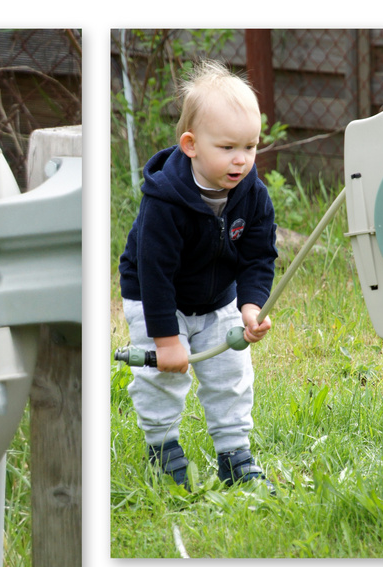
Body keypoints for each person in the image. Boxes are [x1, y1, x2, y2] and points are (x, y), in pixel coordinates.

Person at [118, 58, 279, 489]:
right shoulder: (165, 202)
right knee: (161, 377)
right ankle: (162, 446)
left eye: (250, 146)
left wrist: (249, 306)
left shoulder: (252, 194)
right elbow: (154, 273)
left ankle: (234, 453)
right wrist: (168, 341)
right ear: (190, 144)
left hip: (217, 298)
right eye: (227, 148)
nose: (241, 160)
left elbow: (259, 255)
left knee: (230, 375)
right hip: (156, 297)